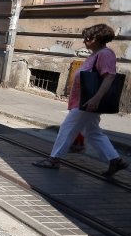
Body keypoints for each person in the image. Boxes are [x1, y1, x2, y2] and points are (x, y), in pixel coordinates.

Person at [33, 23, 128, 178]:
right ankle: (115, 160)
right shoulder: (96, 54)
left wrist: (96, 98)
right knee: (93, 132)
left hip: (87, 102)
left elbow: (109, 76)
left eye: (88, 38)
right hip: (84, 101)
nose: (85, 41)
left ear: (97, 38)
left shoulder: (105, 54)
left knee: (67, 128)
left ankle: (54, 160)